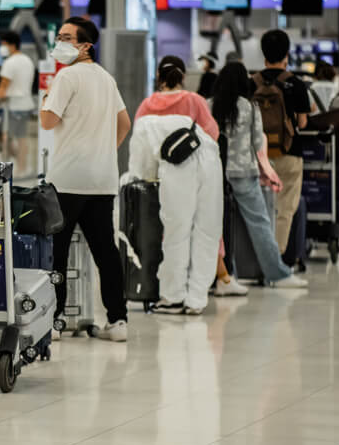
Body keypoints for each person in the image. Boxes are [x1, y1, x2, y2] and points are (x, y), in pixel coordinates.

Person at [41, 16, 131, 342]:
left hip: (67, 179)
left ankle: (55, 320)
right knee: (106, 252)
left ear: (85, 46)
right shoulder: (106, 78)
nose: (59, 42)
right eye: (59, 36)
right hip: (102, 180)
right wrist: (104, 150)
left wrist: (45, 101)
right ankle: (118, 320)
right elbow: (125, 123)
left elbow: (48, 121)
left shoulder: (67, 77)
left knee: (57, 252)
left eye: (66, 38)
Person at [136, 56, 243, 297]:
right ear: (183, 76)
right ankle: (221, 278)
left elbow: (140, 138)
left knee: (168, 230)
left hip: (158, 176)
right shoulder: (194, 101)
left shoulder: (147, 104)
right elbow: (212, 134)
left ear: (158, 76)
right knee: (205, 228)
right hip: (193, 175)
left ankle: (168, 285)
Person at [211, 62, 307, 288]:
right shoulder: (249, 107)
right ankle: (278, 274)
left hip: (215, 173)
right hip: (244, 172)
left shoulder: (209, 105)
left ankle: (223, 275)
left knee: (215, 227)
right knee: (260, 224)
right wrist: (266, 172)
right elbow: (257, 144)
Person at [126, 114, 223, 314]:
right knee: (207, 230)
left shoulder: (142, 127)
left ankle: (173, 296)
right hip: (210, 156)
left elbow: (141, 174)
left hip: (179, 164)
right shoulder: (175, 120)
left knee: (177, 232)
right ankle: (197, 298)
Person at [254, 30, 311, 250]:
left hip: (258, 156)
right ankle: (276, 257)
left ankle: (258, 256)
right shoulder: (296, 84)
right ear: (287, 54)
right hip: (289, 153)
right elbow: (302, 123)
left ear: (264, 55)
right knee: (284, 209)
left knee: (258, 209)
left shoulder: (252, 83)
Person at [0, 30, 38, 180]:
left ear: (11, 45)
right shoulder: (28, 60)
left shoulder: (10, 63)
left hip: (13, 106)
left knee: (5, 137)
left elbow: (3, 87)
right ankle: (22, 168)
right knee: (22, 138)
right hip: (26, 104)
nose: (2, 48)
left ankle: (5, 171)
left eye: (3, 44)